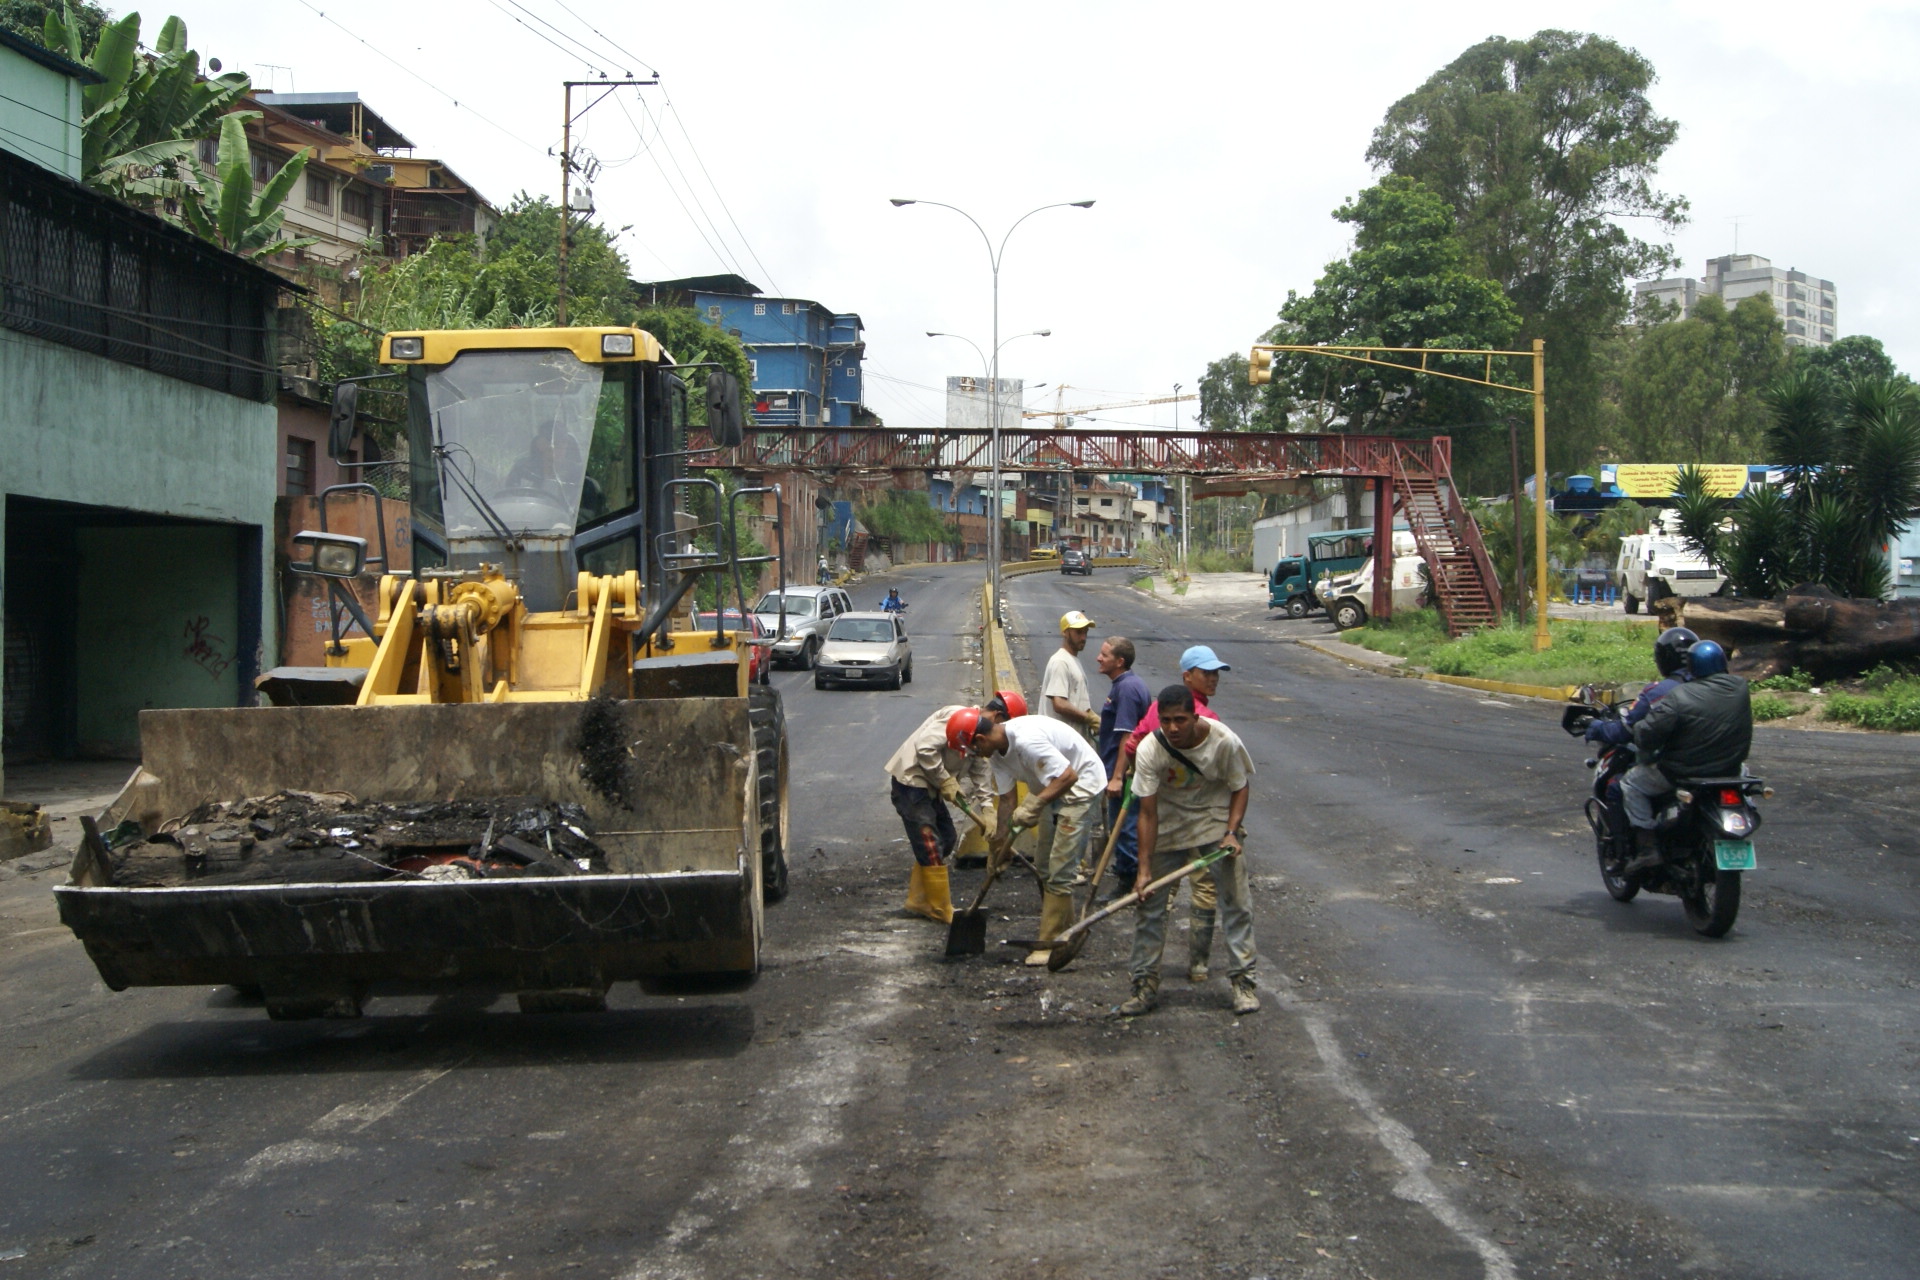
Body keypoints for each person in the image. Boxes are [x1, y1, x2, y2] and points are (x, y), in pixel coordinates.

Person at [1122, 683, 1259, 1017]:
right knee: (1149, 906)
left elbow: (1240, 788)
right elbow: (1148, 813)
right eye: (1166, 720)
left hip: (1213, 821)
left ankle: (1243, 983)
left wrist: (1231, 833)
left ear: (1195, 717)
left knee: (1235, 902)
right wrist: (1143, 871)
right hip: (1168, 824)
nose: (1173, 728)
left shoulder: (1223, 741)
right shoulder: (1151, 749)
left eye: (1180, 720)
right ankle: (1144, 986)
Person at [949, 707, 1107, 966]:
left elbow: (1069, 776)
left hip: (1080, 789)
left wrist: (1034, 805)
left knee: (1060, 870)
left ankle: (1049, 943)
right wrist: (997, 846)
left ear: (980, 740)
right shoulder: (998, 754)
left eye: (973, 751)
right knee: (1044, 866)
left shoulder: (1026, 740)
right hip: (1050, 789)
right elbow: (1007, 801)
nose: (975, 757)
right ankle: (1067, 931)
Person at [1120, 644, 1228, 981]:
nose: (1213, 679)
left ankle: (1150, 971)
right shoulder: (1206, 723)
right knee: (1203, 885)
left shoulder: (1157, 709)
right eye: (1205, 673)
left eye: (1215, 673)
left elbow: (1133, 743)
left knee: (1156, 891)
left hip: (1157, 811)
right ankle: (1197, 964)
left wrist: (1142, 775)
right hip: (1191, 818)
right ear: (1187, 676)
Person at [1622, 639, 1753, 874]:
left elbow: (1648, 734)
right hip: (1730, 770)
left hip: (1684, 774)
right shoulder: (1741, 688)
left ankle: (1647, 846)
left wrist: (1640, 732)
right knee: (1745, 777)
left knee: (1630, 783)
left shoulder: (1678, 696)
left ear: (1691, 667)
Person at [1585, 627, 1697, 859]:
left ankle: (1646, 845)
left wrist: (1596, 728)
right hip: (1724, 768)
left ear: (1663, 659)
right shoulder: (1721, 689)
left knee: (1621, 786)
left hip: (1677, 769)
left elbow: (1625, 729)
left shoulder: (1659, 692)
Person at [884, 704, 996, 922]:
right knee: (930, 844)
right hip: (912, 782)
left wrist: (988, 807)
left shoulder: (979, 734)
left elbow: (980, 768)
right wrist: (945, 779)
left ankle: (918, 900)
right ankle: (939, 907)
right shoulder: (958, 720)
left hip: (932, 786)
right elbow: (924, 748)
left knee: (947, 838)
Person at [1095, 636, 1152, 891]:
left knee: (1127, 826)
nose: (1099, 658)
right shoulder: (1123, 684)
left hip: (1126, 774)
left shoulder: (1127, 689)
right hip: (1120, 771)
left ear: (1119, 661)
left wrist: (1117, 776)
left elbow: (1127, 736)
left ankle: (1128, 882)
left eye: (1104, 655)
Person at [1042, 611, 1100, 737]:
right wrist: (1089, 719)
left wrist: (1091, 716)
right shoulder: (1060, 662)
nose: (1083, 637)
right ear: (1065, 632)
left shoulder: (1072, 660)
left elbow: (1076, 700)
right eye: (1078, 632)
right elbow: (1059, 704)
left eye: (1085, 632)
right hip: (1060, 741)